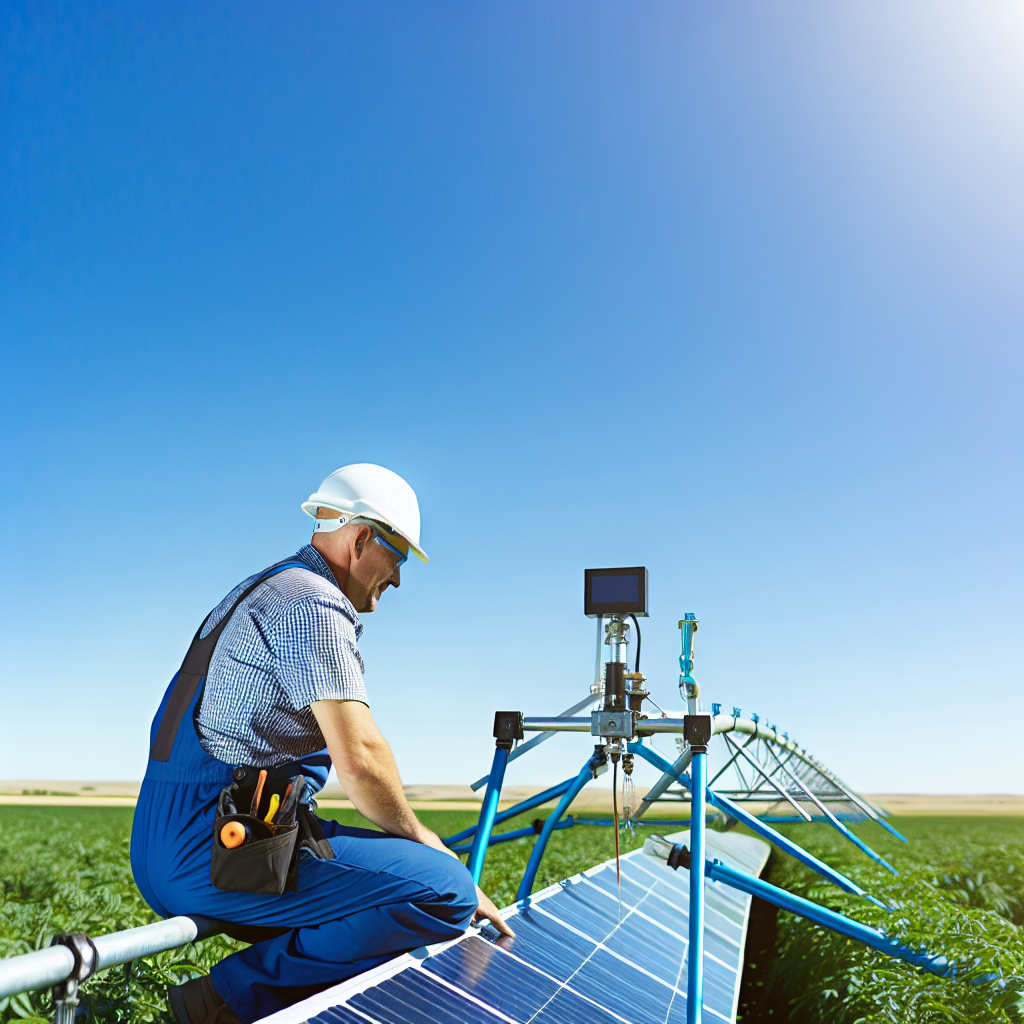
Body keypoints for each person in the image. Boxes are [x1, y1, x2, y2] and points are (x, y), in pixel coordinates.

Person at [130, 463, 511, 1024]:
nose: (399, 578)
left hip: (177, 841)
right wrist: (429, 843)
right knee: (445, 890)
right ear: (361, 539)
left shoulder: (266, 585)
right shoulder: (311, 603)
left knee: (394, 881)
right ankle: (225, 1001)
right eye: (399, 557)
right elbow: (360, 760)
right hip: (210, 851)